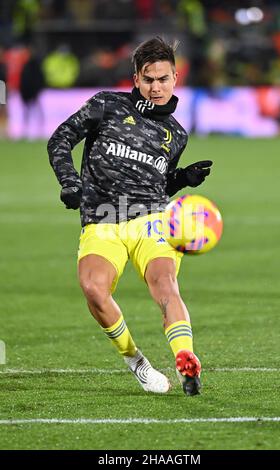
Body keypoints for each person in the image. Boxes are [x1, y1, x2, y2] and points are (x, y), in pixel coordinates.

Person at [47, 37, 212, 396]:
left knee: (164, 283)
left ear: (175, 78)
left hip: (151, 220)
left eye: (163, 79)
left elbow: (156, 185)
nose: (156, 87)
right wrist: (69, 182)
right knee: (93, 289)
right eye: (149, 79)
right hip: (102, 219)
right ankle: (136, 362)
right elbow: (60, 139)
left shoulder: (176, 134)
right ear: (136, 78)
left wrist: (181, 179)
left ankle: (186, 358)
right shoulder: (106, 105)